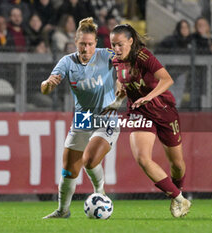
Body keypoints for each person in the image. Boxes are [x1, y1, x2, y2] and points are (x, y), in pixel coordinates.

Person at [108, 24, 191, 218]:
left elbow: (167, 80)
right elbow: (121, 79)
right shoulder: (116, 60)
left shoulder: (143, 56)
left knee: (177, 164)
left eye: (120, 44)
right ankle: (180, 199)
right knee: (143, 158)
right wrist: (118, 97)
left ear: (130, 41)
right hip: (139, 112)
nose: (116, 49)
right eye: (113, 45)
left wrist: (148, 96)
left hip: (163, 110)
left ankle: (176, 194)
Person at [40, 17, 119, 219]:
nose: (86, 48)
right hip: (83, 117)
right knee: (68, 169)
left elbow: (129, 70)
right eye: (82, 44)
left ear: (96, 44)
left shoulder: (107, 56)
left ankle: (99, 192)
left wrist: (123, 88)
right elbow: (45, 89)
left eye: (90, 44)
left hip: (106, 116)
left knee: (90, 160)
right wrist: (49, 83)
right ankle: (62, 211)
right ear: (76, 43)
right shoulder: (67, 61)